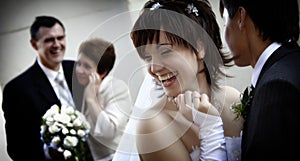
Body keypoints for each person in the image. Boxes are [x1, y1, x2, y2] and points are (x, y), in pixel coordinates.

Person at [130, 0, 243, 160]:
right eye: (148, 57)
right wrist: (209, 127)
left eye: (165, 51)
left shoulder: (233, 100)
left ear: (199, 47)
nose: (154, 69)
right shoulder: (154, 126)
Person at [220, 0, 300, 160]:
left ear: (241, 17)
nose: (225, 33)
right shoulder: (291, 63)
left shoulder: (277, 88)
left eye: (225, 23)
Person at [2, 16, 76, 160]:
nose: (57, 44)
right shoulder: (17, 89)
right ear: (34, 44)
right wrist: (49, 153)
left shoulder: (78, 70)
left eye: (60, 38)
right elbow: (16, 148)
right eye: (49, 40)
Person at [75, 37, 133, 161]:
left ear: (102, 72)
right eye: (78, 64)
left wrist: (91, 100)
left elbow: (108, 132)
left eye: (87, 66)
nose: (79, 70)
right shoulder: (83, 88)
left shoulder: (117, 88)